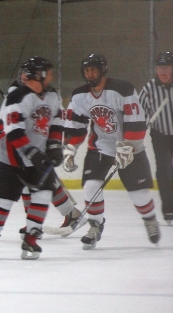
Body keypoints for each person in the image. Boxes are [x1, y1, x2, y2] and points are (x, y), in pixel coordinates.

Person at [63, 53, 161, 250]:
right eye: (87, 70)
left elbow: (136, 120)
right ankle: (95, 226)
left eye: (94, 70)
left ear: (103, 70)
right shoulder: (80, 95)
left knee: (139, 194)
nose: (90, 74)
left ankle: (150, 219)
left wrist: (128, 147)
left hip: (129, 147)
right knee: (91, 186)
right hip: (100, 147)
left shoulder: (122, 89)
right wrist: (70, 150)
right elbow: (76, 125)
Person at [0, 56, 64, 260]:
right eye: (48, 72)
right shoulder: (17, 96)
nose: (51, 76)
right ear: (40, 74)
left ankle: (31, 237)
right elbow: (13, 131)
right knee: (4, 201)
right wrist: (31, 152)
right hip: (11, 159)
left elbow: (55, 123)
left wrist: (54, 146)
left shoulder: (53, 95)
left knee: (44, 193)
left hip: (37, 157)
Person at [0, 80, 87, 238]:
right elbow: (1, 134)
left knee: (42, 185)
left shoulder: (41, 106)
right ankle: (46, 221)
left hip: (37, 154)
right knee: (34, 186)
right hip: (25, 156)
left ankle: (65, 216)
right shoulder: (14, 110)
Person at [139, 51, 173, 225]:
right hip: (160, 134)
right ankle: (168, 208)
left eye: (166, 67)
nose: (163, 71)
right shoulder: (149, 88)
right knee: (164, 170)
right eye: (160, 67)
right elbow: (138, 112)